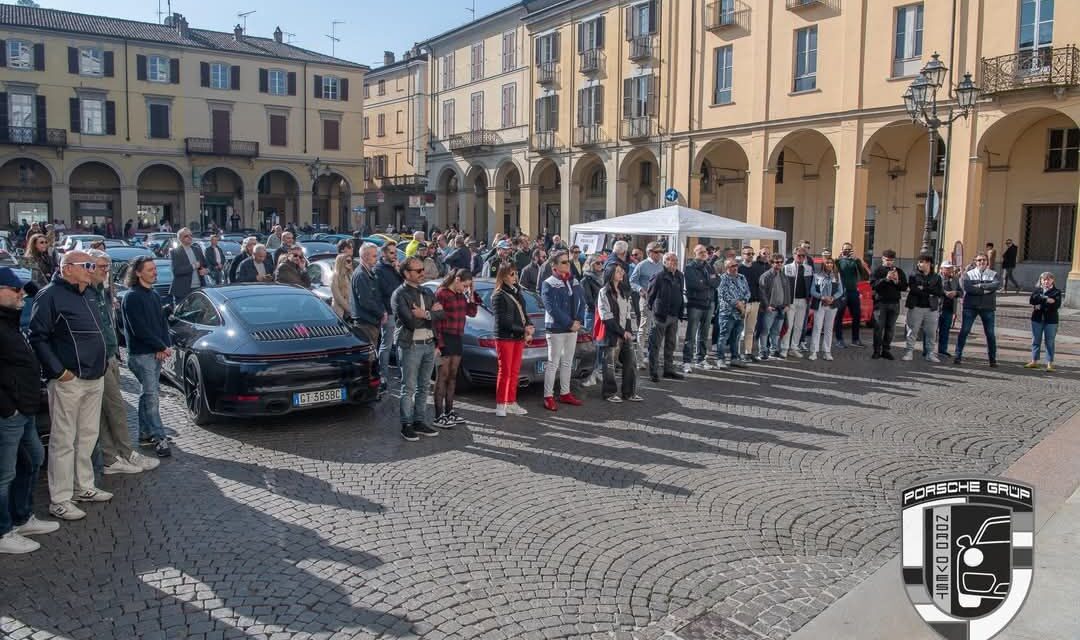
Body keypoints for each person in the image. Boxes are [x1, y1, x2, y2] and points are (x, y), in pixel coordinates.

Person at [28, 251, 110, 521]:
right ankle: (60, 499)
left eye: (92, 265)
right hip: (69, 380)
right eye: (86, 265)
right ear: (68, 268)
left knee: (87, 436)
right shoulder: (50, 295)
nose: (91, 269)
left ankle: (83, 486)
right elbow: (37, 337)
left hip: (94, 376)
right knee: (63, 440)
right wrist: (59, 372)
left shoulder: (89, 294)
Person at [86, 251, 161, 472]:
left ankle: (113, 457)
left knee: (112, 409)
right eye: (101, 267)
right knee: (118, 407)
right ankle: (126, 453)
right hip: (100, 358)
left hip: (110, 355)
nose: (105, 271)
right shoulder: (91, 294)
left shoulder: (101, 291)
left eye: (107, 267)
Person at [0, 267, 58, 554]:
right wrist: (8, 408)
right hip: (10, 412)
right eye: (14, 289)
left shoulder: (10, 320)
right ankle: (3, 531)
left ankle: (21, 517)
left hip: (25, 407)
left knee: (34, 458)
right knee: (5, 474)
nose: (20, 293)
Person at [121, 256, 173, 458]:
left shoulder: (153, 294)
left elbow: (161, 323)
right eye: (150, 270)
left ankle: (145, 434)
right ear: (138, 272)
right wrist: (159, 345)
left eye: (154, 269)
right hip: (141, 354)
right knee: (151, 396)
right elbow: (139, 329)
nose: (155, 272)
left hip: (154, 351)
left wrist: (164, 345)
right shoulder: (132, 297)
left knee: (148, 395)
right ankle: (159, 437)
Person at [391, 257, 444, 441]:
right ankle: (406, 424)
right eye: (418, 270)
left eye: (423, 269)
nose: (423, 273)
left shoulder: (427, 291)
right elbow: (411, 322)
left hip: (429, 344)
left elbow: (441, 314)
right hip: (410, 345)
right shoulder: (399, 294)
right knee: (409, 387)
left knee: (424, 386)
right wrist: (430, 314)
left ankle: (419, 421)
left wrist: (425, 314)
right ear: (406, 273)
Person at [433, 269, 480, 427]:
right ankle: (438, 415)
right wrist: (439, 343)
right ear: (457, 279)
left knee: (453, 376)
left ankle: (449, 411)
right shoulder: (442, 293)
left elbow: (472, 312)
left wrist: (471, 294)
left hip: (457, 337)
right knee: (442, 376)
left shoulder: (461, 295)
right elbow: (436, 321)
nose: (465, 288)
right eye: (465, 285)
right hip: (445, 337)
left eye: (468, 286)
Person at [539, 251, 585, 412]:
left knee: (567, 362)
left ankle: (565, 392)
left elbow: (582, 302)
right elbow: (551, 307)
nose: (568, 264)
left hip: (573, 327)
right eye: (564, 262)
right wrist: (569, 323)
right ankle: (548, 396)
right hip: (556, 328)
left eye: (568, 261)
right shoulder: (548, 283)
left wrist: (578, 320)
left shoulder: (574, 281)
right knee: (553, 363)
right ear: (555, 265)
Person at [491, 264, 533, 417]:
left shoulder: (517, 292)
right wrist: (524, 330)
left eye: (516, 273)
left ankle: (511, 402)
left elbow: (524, 313)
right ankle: (501, 403)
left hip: (517, 337)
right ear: (503, 276)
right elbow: (504, 322)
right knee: (505, 371)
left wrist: (529, 325)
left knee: (514, 371)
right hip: (505, 337)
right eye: (511, 274)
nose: (515, 277)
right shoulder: (498, 295)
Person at [597, 263, 641, 403]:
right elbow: (606, 316)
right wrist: (621, 332)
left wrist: (628, 330)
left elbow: (627, 313)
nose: (621, 273)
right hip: (611, 333)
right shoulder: (604, 292)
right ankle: (609, 393)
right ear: (611, 274)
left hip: (624, 333)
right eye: (618, 271)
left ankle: (629, 393)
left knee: (631, 362)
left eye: (622, 271)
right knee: (610, 365)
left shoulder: (624, 290)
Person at [955, 252, 1002, 367]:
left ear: (987, 262)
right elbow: (968, 288)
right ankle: (957, 356)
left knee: (990, 334)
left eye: (984, 260)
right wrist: (986, 290)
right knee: (964, 331)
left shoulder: (993, 274)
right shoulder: (968, 274)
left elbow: (996, 285)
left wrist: (980, 286)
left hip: (988, 307)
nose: (982, 262)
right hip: (970, 307)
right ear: (975, 262)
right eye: (979, 260)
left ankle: (992, 360)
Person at [645, 252, 686, 383]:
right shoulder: (659, 276)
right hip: (661, 316)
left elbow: (680, 293)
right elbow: (650, 296)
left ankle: (668, 370)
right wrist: (655, 310)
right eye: (671, 260)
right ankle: (653, 372)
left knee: (670, 344)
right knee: (655, 345)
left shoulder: (680, 275)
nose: (674, 263)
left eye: (676, 260)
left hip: (674, 315)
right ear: (665, 262)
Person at [683, 245, 719, 372]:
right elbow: (694, 284)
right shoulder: (689, 267)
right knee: (691, 335)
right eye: (701, 252)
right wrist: (709, 282)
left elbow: (717, 282)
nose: (704, 254)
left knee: (704, 335)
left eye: (705, 252)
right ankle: (687, 361)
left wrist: (705, 281)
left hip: (709, 304)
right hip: (695, 304)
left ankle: (700, 359)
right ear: (695, 253)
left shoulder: (709, 266)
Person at [903, 255, 944, 362]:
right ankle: (909, 352)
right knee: (912, 331)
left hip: (931, 308)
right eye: (919, 262)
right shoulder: (913, 275)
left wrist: (923, 288)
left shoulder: (937, 277)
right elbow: (914, 290)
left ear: (929, 263)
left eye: (921, 262)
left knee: (931, 332)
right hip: (916, 307)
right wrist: (929, 290)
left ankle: (930, 353)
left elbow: (939, 292)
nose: (919, 264)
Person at [630, 243, 664, 368]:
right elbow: (632, 281)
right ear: (649, 252)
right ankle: (639, 359)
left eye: (660, 251)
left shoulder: (662, 265)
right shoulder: (642, 265)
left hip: (660, 302)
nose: (659, 254)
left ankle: (653, 357)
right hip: (646, 301)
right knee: (644, 329)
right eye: (657, 252)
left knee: (657, 330)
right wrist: (640, 289)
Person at [374, 243, 403, 393]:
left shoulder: (395, 268)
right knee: (387, 344)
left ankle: (402, 374)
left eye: (395, 252)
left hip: (400, 311)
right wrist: (383, 311)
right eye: (391, 253)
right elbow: (384, 291)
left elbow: (405, 285)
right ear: (384, 254)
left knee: (400, 344)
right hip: (389, 312)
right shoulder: (379, 269)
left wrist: (399, 271)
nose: (394, 255)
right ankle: (383, 376)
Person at [870, 249, 908, 360]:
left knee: (890, 328)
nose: (889, 262)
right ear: (882, 259)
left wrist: (896, 281)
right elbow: (873, 285)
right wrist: (885, 279)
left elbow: (904, 287)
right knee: (879, 328)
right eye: (887, 260)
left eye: (891, 260)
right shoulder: (877, 270)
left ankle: (886, 350)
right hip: (880, 303)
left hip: (894, 303)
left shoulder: (899, 271)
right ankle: (876, 351)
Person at [716, 259, 750, 368]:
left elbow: (747, 292)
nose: (735, 267)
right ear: (726, 268)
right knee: (724, 337)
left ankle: (735, 358)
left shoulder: (742, 277)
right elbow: (723, 295)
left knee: (736, 337)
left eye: (736, 265)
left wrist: (743, 302)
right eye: (732, 266)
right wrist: (737, 304)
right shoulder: (722, 279)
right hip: (727, 312)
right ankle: (720, 359)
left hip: (740, 312)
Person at [808, 257, 844, 361]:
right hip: (820, 304)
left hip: (832, 304)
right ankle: (814, 351)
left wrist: (832, 298)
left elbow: (840, 291)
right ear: (823, 264)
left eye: (831, 263)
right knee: (817, 327)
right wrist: (822, 297)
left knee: (828, 328)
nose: (829, 264)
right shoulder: (817, 275)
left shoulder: (836, 276)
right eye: (827, 263)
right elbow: (812, 291)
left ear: (833, 264)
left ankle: (827, 352)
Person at [834, 242, 869, 348]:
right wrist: (837, 259)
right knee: (839, 316)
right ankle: (839, 340)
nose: (847, 251)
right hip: (841, 292)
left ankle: (855, 339)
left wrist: (857, 261)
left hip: (853, 292)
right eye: (845, 249)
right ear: (842, 250)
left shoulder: (855, 261)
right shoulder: (838, 261)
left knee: (856, 315)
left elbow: (864, 276)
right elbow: (834, 273)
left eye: (849, 249)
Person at [349, 243, 384, 347]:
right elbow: (366, 301)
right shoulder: (361, 275)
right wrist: (381, 313)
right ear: (365, 257)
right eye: (374, 256)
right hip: (365, 324)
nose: (377, 259)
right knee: (370, 353)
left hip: (370, 322)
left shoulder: (368, 273)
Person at [780, 249, 813, 358]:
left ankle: (794, 347)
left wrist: (810, 301)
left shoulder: (809, 268)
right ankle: (784, 348)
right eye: (799, 255)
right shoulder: (786, 267)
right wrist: (784, 301)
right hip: (791, 301)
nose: (801, 257)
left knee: (799, 326)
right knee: (788, 326)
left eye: (803, 256)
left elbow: (811, 285)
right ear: (794, 255)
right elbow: (782, 285)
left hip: (803, 301)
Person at [737, 246, 767, 362]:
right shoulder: (739, 268)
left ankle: (748, 353)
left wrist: (761, 301)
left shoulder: (757, 268)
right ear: (742, 255)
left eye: (752, 254)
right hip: (743, 303)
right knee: (739, 329)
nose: (750, 256)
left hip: (755, 302)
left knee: (750, 330)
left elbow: (761, 286)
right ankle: (737, 353)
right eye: (748, 254)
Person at [1027, 272, 1061, 372]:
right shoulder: (1037, 290)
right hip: (1037, 319)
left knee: (1049, 342)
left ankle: (1049, 363)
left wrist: (1040, 301)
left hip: (1051, 321)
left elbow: (1056, 305)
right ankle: (1034, 361)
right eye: (1044, 279)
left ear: (1052, 280)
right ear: (1041, 280)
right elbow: (1032, 300)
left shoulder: (1057, 292)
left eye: (1048, 279)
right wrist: (1047, 299)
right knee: (1035, 341)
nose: (1046, 281)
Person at [757, 255, 789, 359]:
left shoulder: (783, 275)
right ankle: (763, 351)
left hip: (781, 308)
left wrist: (787, 304)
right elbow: (761, 292)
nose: (779, 264)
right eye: (776, 262)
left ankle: (774, 350)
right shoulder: (765, 276)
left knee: (776, 331)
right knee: (765, 330)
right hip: (770, 308)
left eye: (781, 262)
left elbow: (787, 291)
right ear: (771, 263)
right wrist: (767, 306)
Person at [169, 228, 208, 302]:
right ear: (180, 238)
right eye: (186, 236)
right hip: (183, 290)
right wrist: (193, 266)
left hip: (199, 288)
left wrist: (205, 270)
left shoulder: (197, 249)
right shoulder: (175, 252)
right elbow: (176, 271)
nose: (190, 237)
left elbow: (205, 265)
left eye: (191, 235)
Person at [936, 261, 963, 359]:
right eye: (947, 268)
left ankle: (942, 350)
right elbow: (933, 290)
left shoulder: (955, 279)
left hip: (949, 309)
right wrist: (945, 293)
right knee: (932, 331)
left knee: (945, 331)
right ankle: (928, 350)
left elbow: (961, 292)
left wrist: (955, 293)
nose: (949, 270)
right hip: (937, 308)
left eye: (950, 268)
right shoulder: (936, 278)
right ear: (941, 269)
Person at [330, 253, 354, 320]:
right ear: (341, 262)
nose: (351, 263)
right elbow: (338, 297)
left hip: (351, 312)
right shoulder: (334, 277)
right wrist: (350, 310)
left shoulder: (350, 275)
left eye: (351, 261)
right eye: (348, 261)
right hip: (340, 312)